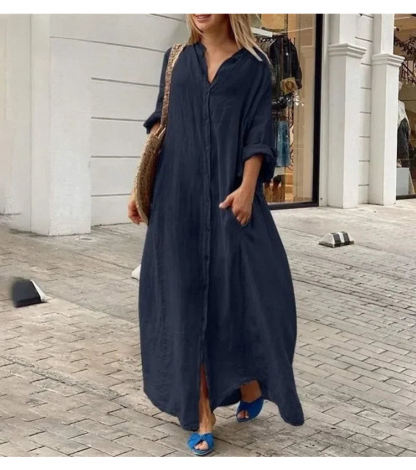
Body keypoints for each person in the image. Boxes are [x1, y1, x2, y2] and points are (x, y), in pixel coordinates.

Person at [128, 14, 304, 456]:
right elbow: (160, 125)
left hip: (230, 198)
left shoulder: (255, 65)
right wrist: (138, 189)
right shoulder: (176, 59)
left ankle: (250, 384)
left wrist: (247, 189)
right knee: (184, 303)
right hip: (177, 200)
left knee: (246, 295)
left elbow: (258, 133)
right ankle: (202, 411)